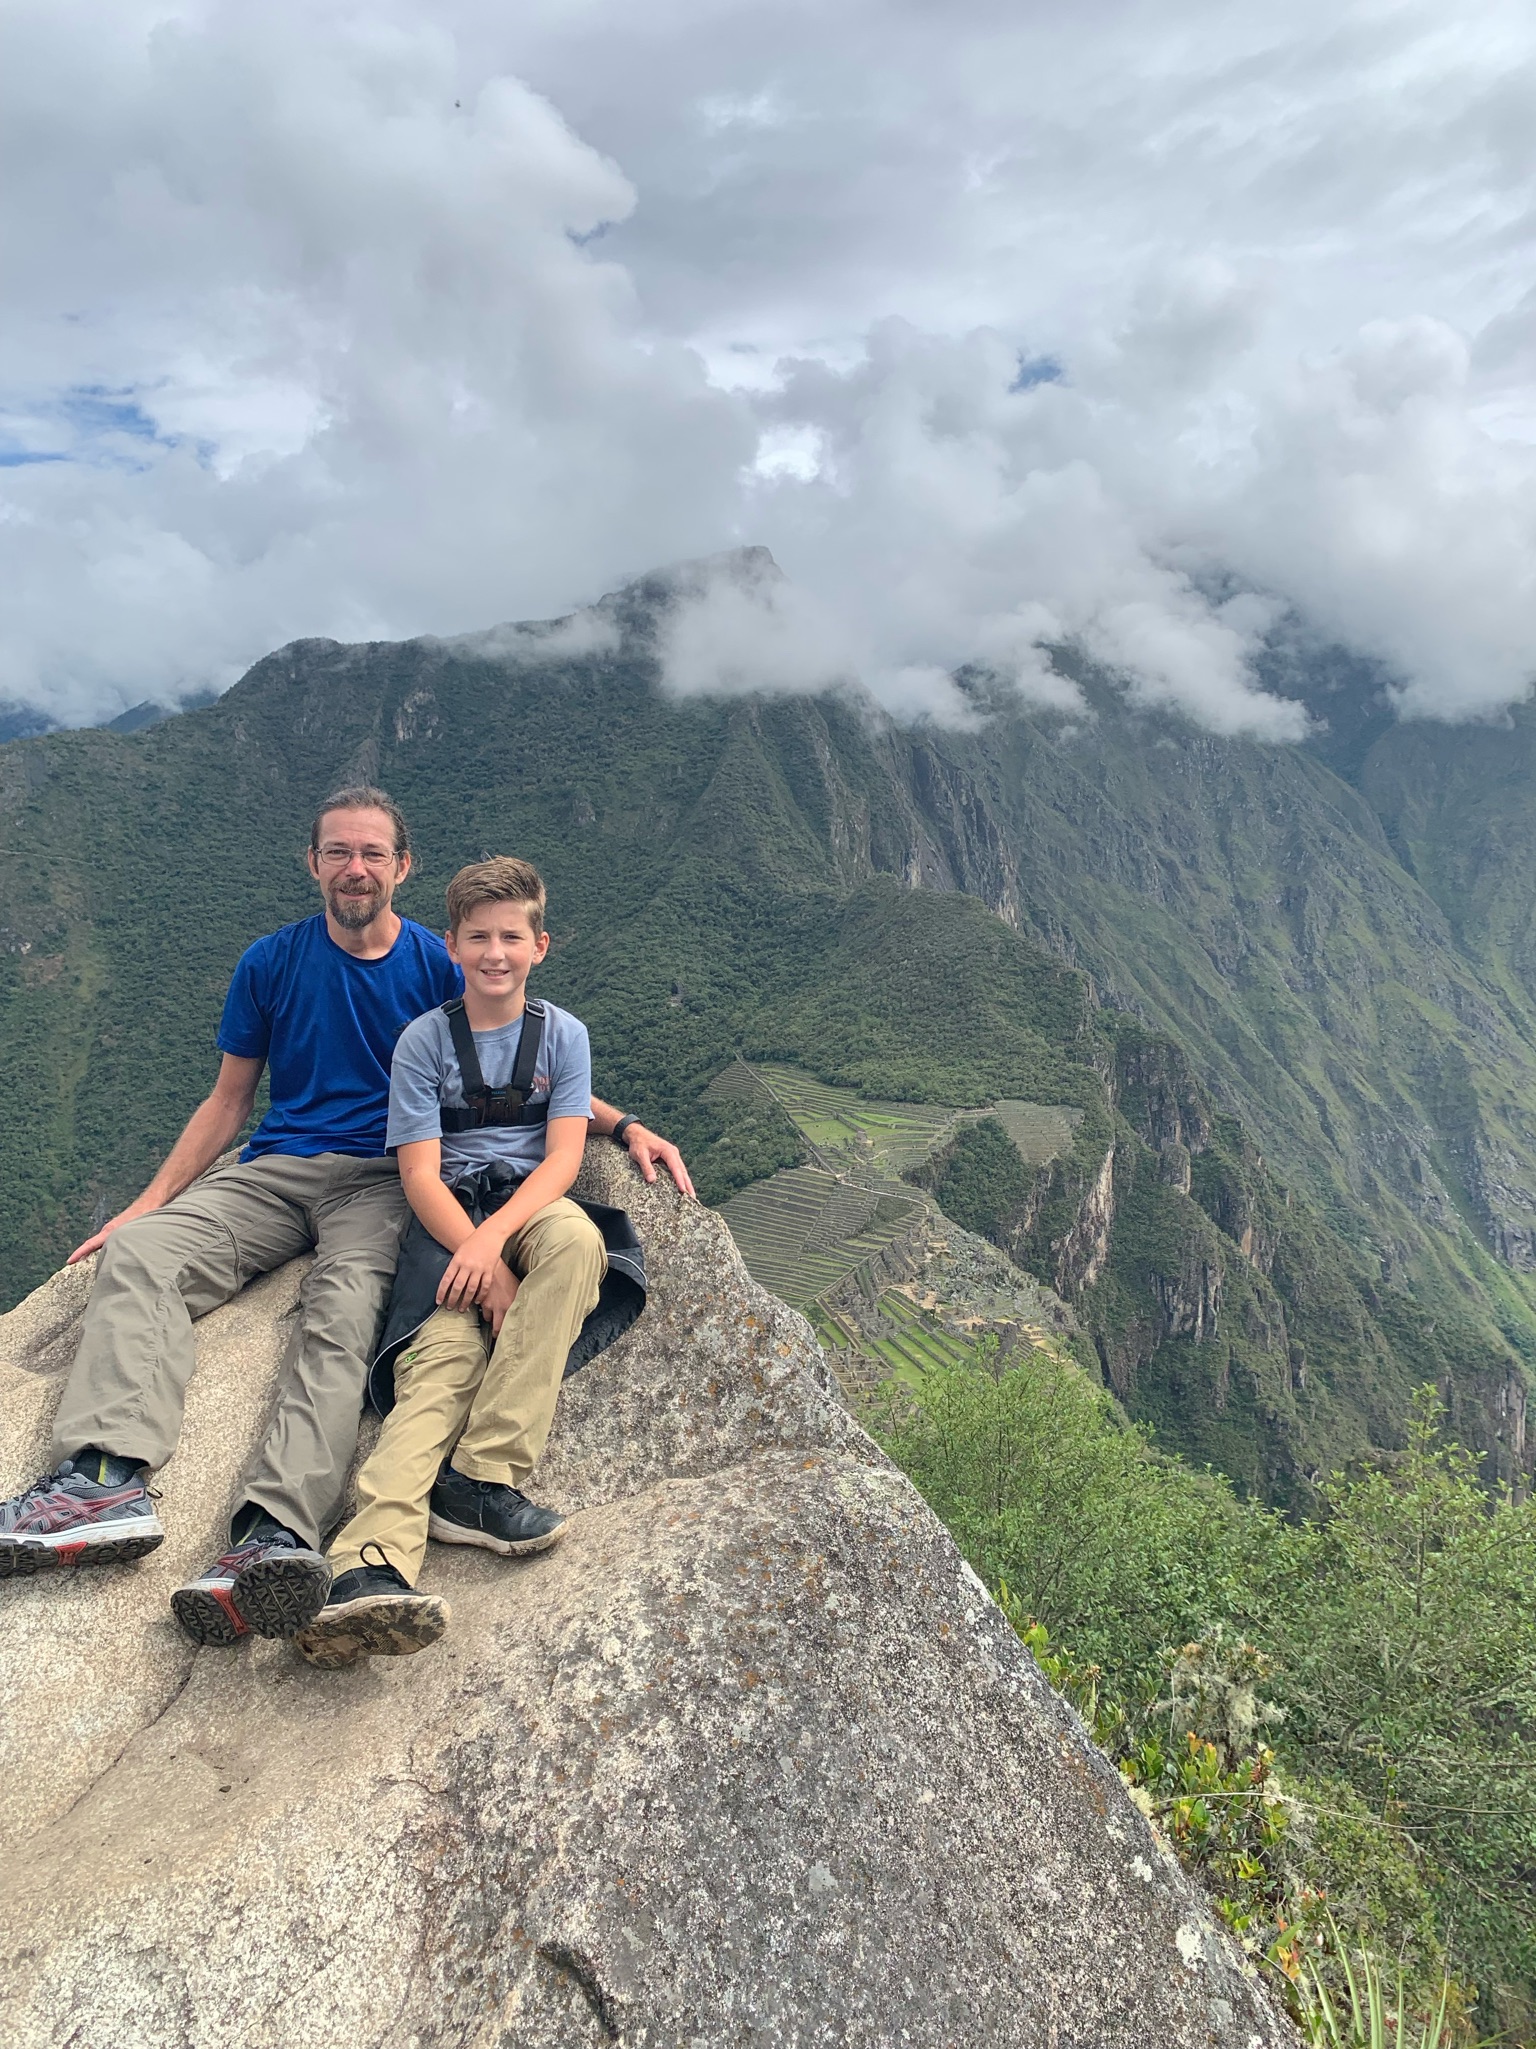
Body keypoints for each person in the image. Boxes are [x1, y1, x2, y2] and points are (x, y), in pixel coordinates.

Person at [0, 787, 692, 1646]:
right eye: (339, 851)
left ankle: (273, 1534)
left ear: (402, 866)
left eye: (373, 853)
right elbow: (228, 1101)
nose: (355, 868)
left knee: (340, 1318)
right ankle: (103, 1479)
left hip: (386, 1179)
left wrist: (621, 1124)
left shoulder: (438, 964)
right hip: (275, 1168)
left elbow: (520, 1054)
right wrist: (146, 1205)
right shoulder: (271, 962)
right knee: (141, 1252)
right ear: (314, 863)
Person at [294, 855, 628, 1667]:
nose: (495, 953)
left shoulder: (565, 1035)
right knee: (441, 1363)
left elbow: (561, 1157)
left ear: (540, 944)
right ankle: (366, 1567)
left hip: (525, 1207)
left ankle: (481, 1476)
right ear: (451, 945)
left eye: (511, 936)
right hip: (447, 1216)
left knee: (578, 1241)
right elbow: (418, 1173)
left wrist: (495, 1244)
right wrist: (475, 1250)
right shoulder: (424, 1041)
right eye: (478, 936)